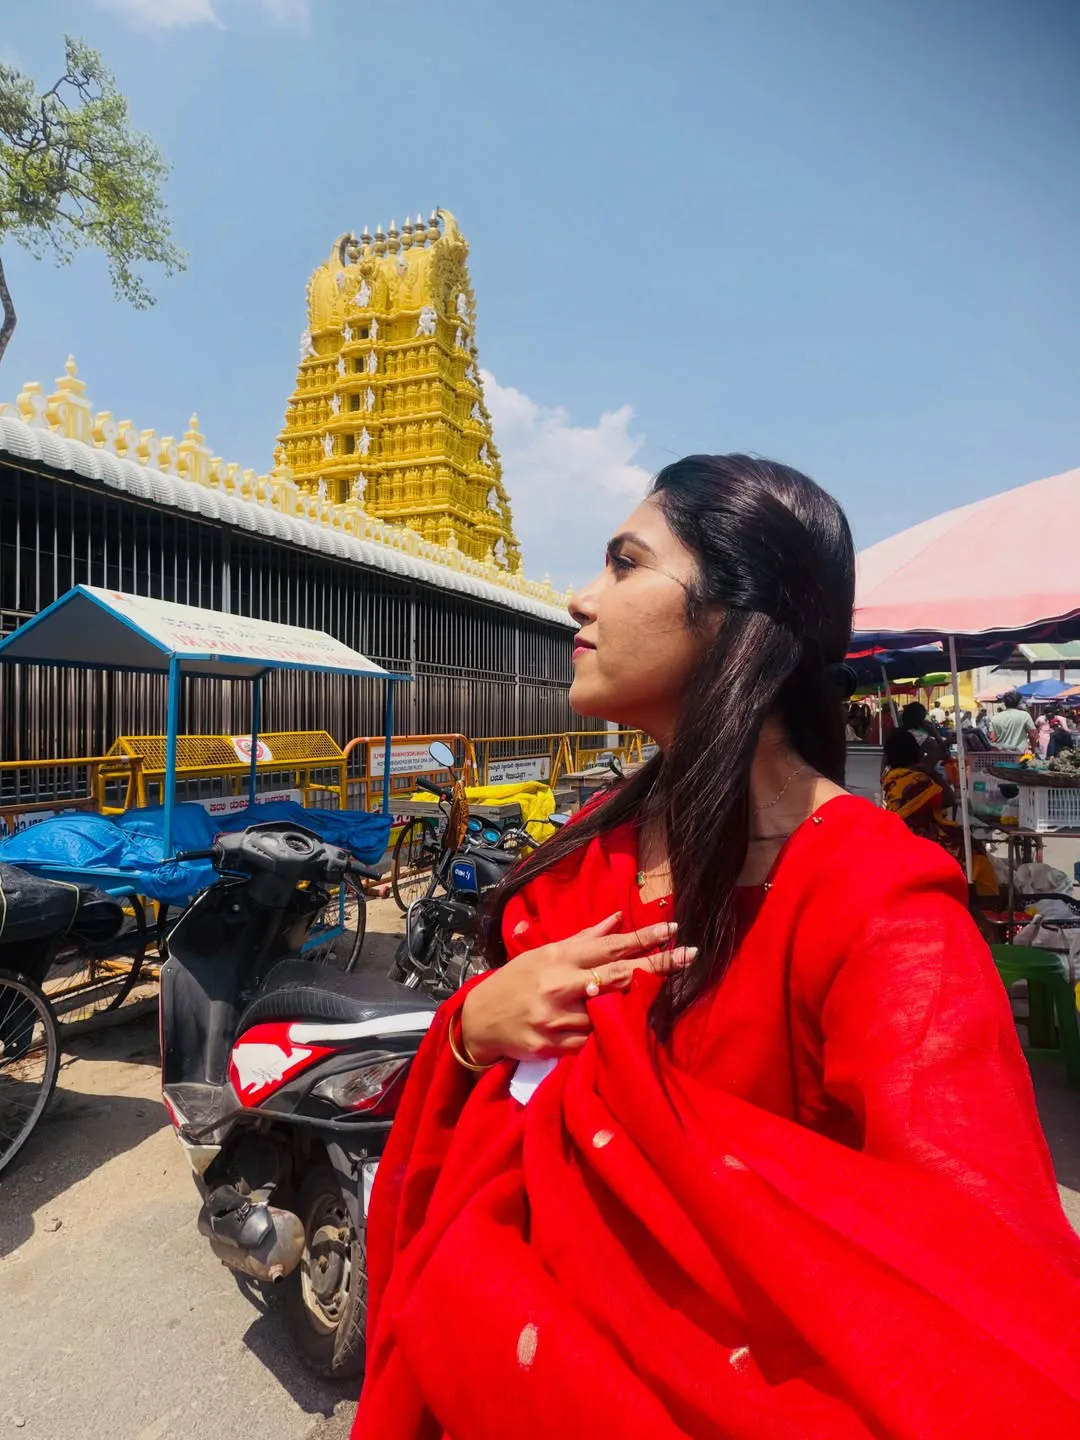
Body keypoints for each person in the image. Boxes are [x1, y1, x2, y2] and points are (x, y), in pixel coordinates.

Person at [356, 454, 1080, 1439]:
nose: (580, 597)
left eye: (623, 562)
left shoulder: (878, 908)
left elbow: (976, 1286)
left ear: (735, 612)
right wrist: (468, 1033)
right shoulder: (603, 840)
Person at [881, 728, 998, 896]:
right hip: (921, 838)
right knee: (973, 853)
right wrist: (932, 773)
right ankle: (983, 899)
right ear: (915, 752)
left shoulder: (892, 777)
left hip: (902, 836)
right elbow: (947, 799)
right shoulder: (918, 779)